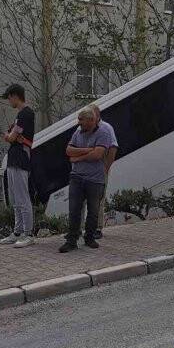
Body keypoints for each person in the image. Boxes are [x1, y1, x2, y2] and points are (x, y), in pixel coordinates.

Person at [60, 104, 117, 253]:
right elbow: (68, 150)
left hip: (95, 178)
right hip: (77, 177)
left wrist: (77, 158)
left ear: (91, 120)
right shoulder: (78, 132)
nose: (78, 122)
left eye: (81, 119)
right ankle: (71, 240)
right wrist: (88, 150)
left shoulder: (104, 132)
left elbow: (98, 154)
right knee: (74, 209)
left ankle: (89, 237)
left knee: (93, 210)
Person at [0, 84, 35, 248]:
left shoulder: (25, 113)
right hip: (14, 157)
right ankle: (18, 231)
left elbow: (12, 137)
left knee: (22, 197)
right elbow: (15, 136)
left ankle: (28, 233)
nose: (9, 101)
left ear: (15, 96)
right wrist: (12, 135)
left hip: (21, 157)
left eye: (9, 97)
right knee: (15, 197)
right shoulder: (20, 115)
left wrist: (8, 135)